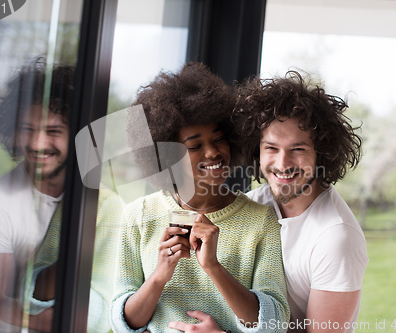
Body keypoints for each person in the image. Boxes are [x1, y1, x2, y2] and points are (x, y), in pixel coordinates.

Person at [170, 71, 368, 333]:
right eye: (272, 148)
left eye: (298, 149)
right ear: (256, 150)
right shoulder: (254, 204)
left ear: (322, 154)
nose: (283, 163)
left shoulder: (335, 237)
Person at [110, 62, 289, 333]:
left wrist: (213, 266)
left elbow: (275, 323)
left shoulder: (259, 220)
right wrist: (160, 275)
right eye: (194, 146)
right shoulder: (139, 215)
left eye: (218, 139)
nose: (212, 153)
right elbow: (123, 322)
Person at [0, 59, 121, 333]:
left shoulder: (103, 205)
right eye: (27, 129)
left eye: (53, 131)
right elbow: (2, 303)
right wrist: (66, 320)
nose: (37, 144)